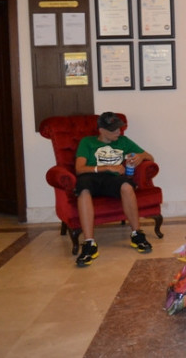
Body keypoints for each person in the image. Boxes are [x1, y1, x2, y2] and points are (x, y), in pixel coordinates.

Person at [73, 112, 154, 267]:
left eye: (119, 128)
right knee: (83, 189)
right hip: (91, 176)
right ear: (101, 130)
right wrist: (106, 167)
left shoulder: (123, 141)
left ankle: (137, 234)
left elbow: (149, 156)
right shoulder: (87, 142)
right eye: (114, 129)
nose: (118, 132)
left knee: (127, 186)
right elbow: (79, 168)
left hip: (112, 179)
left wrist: (141, 156)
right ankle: (89, 243)